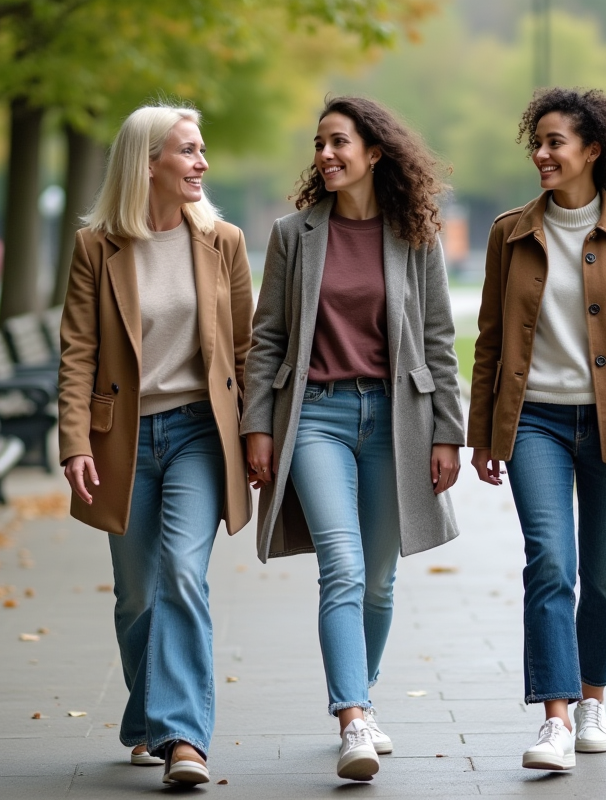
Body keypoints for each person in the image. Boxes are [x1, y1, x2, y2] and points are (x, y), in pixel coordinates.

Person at [242, 96, 465, 782]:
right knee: (339, 562)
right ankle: (354, 719)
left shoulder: (415, 236)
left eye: (339, 142)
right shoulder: (293, 234)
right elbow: (267, 337)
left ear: (374, 152)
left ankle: (360, 695)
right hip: (316, 417)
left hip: (395, 421)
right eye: (319, 144)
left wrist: (448, 432)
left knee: (377, 579)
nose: (326, 154)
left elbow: (438, 339)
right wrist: (258, 424)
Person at [467, 87, 606, 772]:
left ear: (593, 150)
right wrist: (482, 432)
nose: (542, 153)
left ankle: (593, 700)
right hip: (535, 424)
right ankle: (555, 718)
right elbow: (490, 340)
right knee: (550, 562)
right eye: (538, 141)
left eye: (556, 142)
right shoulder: (510, 232)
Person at [57, 103, 253, 786]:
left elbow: (246, 348)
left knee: (180, 572)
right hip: (125, 440)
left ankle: (183, 740)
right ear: (149, 163)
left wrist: (254, 436)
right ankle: (146, 720)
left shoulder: (222, 241)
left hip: (200, 432)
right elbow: (78, 350)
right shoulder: (97, 248)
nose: (202, 163)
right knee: (137, 592)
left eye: (202, 151)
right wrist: (74, 440)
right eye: (188, 151)